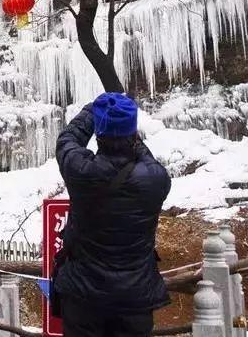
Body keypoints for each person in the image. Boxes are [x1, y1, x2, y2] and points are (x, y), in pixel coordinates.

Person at [53, 92, 171, 337]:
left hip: (83, 296)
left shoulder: (81, 171)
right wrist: (126, 128)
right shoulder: (156, 179)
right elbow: (144, 156)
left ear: (99, 133)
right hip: (135, 296)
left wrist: (92, 111)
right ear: (133, 133)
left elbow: (67, 140)